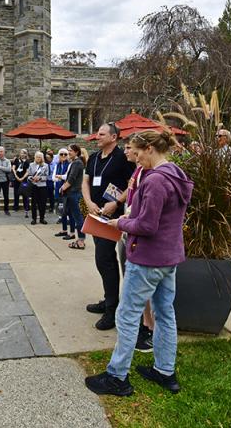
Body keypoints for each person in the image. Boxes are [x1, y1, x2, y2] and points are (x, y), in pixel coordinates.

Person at [86, 129, 193, 398]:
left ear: (149, 149)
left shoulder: (156, 180)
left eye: (137, 153)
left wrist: (120, 222)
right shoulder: (176, 174)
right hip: (168, 256)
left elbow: (146, 225)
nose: (134, 161)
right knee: (165, 313)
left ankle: (117, 376)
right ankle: (165, 371)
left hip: (147, 258)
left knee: (128, 315)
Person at [82, 123, 136, 330]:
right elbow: (86, 182)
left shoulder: (122, 158)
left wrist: (117, 201)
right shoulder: (95, 158)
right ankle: (109, 299)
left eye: (102, 134)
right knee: (102, 258)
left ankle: (112, 310)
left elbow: (132, 183)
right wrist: (88, 202)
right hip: (95, 213)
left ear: (114, 137)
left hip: (112, 215)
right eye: (97, 133)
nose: (97, 136)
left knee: (105, 258)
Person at [117, 140, 155, 353]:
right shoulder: (137, 171)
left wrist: (127, 218)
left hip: (137, 234)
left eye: (130, 148)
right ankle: (144, 323)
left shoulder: (149, 174)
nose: (127, 152)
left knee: (142, 286)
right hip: (128, 229)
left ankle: (147, 327)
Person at [59, 144, 86, 248]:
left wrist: (62, 188)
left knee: (78, 217)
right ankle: (79, 238)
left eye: (70, 151)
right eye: (68, 150)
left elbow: (71, 179)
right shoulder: (75, 162)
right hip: (72, 194)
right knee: (74, 216)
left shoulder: (77, 163)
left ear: (76, 152)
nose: (68, 152)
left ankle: (81, 240)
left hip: (74, 194)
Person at [53, 148, 71, 237]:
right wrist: (61, 177)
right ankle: (64, 230)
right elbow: (53, 178)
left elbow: (67, 176)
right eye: (61, 154)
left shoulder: (70, 164)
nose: (63, 156)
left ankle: (71, 232)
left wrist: (60, 177)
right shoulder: (57, 165)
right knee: (62, 211)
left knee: (68, 211)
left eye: (65, 154)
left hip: (67, 190)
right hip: (58, 190)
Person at [28, 151, 49, 225]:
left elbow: (47, 177)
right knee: (33, 203)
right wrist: (32, 178)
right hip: (34, 186)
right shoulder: (31, 165)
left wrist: (39, 178)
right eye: (37, 157)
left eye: (40, 157)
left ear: (42, 158)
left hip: (42, 186)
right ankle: (34, 219)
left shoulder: (45, 165)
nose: (38, 158)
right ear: (34, 157)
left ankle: (42, 218)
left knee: (42, 203)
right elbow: (29, 175)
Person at [0, 147, 12, 216]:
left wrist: (0, 167)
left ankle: (6, 210)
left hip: (5, 181)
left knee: (6, 196)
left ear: (4, 152)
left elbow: (9, 169)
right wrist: (3, 169)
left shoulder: (7, 161)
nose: (0, 153)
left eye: (1, 151)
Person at [12, 149, 31, 216]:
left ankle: (26, 207)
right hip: (16, 179)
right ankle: (16, 207)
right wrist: (16, 176)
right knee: (16, 193)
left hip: (24, 180)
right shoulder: (17, 160)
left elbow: (28, 171)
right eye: (21, 153)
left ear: (26, 154)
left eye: (24, 153)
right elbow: (13, 168)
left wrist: (22, 178)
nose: (22, 154)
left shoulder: (27, 162)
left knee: (25, 194)